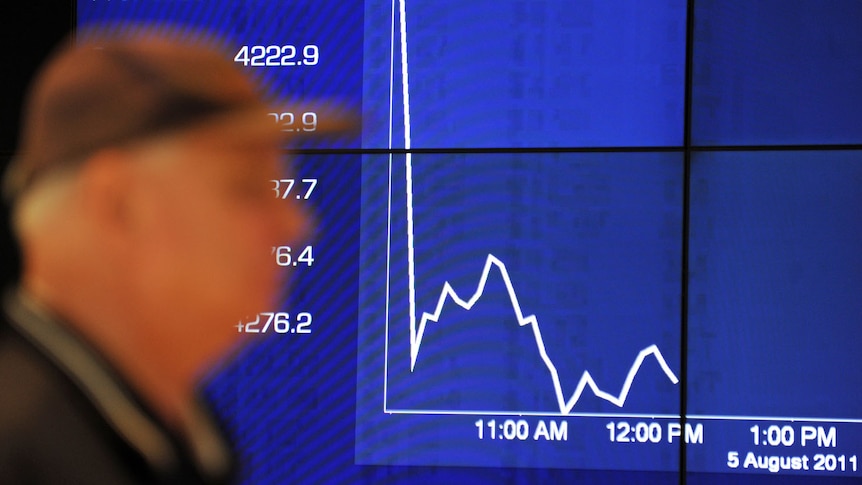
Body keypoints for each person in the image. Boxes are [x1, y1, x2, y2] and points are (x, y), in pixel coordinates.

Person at [0, 29, 323, 483]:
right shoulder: (20, 453)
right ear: (117, 204)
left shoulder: (183, 435)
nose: (296, 225)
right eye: (247, 187)